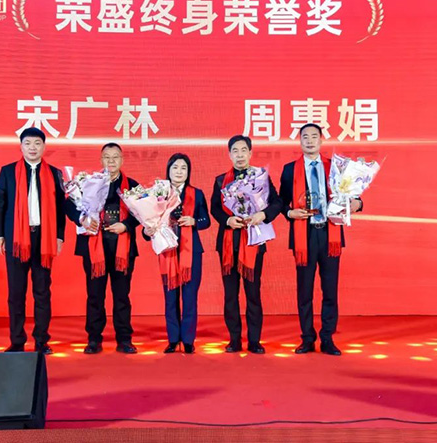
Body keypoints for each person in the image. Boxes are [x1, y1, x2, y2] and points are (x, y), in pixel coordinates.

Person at [279, 123, 362, 356]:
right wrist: (289, 212)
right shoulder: (289, 170)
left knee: (330, 290)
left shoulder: (335, 167)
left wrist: (357, 203)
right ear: (299, 141)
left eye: (314, 136)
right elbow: (280, 202)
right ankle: (307, 338)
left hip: (329, 234)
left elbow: (353, 195)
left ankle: (327, 338)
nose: (309, 140)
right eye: (305, 137)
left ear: (321, 140)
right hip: (303, 236)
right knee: (304, 291)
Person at [0, 127, 66, 354]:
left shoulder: (55, 174)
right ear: (21, 146)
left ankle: (41, 340)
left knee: (42, 292)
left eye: (37, 143)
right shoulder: (7, 172)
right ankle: (17, 341)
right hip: (16, 239)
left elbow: (61, 208)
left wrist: (59, 236)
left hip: (44, 239)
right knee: (16, 293)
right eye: (28, 143)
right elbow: (0, 205)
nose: (32, 148)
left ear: (44, 147)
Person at [65, 143, 141, 354]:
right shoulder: (89, 182)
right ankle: (93, 339)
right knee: (95, 295)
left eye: (115, 157)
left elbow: (142, 213)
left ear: (122, 160)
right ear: (100, 160)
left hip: (122, 248)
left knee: (122, 296)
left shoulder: (132, 186)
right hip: (94, 247)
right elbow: (68, 204)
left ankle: (124, 339)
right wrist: (81, 219)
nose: (111, 161)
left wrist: (126, 225)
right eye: (107, 157)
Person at [210, 135, 282, 354]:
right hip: (228, 243)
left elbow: (277, 202)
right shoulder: (220, 180)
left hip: (253, 242)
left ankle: (254, 340)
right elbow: (215, 208)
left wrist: (263, 214)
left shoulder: (261, 177)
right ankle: (234, 339)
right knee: (230, 295)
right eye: (235, 151)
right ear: (229, 154)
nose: (239, 155)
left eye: (243, 150)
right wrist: (227, 220)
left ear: (250, 153)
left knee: (253, 293)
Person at [143, 153, 211, 354]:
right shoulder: (158, 194)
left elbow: (206, 221)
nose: (179, 172)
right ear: (168, 170)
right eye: (175, 167)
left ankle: (188, 340)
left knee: (190, 297)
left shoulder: (197, 194)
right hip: (168, 251)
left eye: (183, 168)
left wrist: (193, 221)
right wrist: (147, 230)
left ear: (188, 172)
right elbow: (148, 224)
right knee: (170, 296)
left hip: (192, 251)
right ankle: (173, 339)